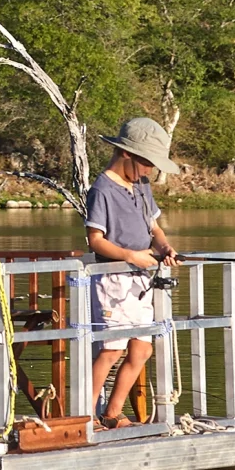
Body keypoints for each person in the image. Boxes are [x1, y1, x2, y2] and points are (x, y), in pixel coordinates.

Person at [86, 116, 181, 428]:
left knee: (142, 348)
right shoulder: (102, 189)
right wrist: (130, 256)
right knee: (112, 349)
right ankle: (85, 414)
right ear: (126, 153)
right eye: (147, 163)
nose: (150, 170)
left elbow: (154, 227)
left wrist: (165, 247)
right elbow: (95, 240)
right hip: (113, 279)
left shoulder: (141, 185)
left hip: (142, 280)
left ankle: (112, 414)